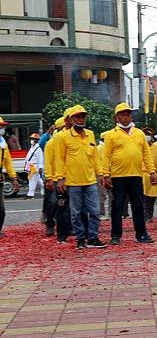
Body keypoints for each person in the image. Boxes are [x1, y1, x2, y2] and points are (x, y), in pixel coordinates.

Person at [102, 103, 156, 245]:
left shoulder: (139, 133)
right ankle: (115, 235)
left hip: (136, 175)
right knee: (117, 206)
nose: (126, 117)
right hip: (118, 176)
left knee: (138, 205)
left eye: (128, 114)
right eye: (123, 114)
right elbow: (105, 156)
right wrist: (105, 174)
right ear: (116, 117)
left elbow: (146, 153)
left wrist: (152, 171)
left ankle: (142, 234)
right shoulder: (111, 135)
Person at [54, 105, 106, 249]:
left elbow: (95, 156)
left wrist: (100, 173)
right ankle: (81, 238)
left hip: (90, 180)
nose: (81, 119)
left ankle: (93, 237)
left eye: (83, 116)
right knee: (76, 213)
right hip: (73, 181)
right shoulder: (62, 137)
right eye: (77, 116)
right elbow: (59, 159)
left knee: (95, 211)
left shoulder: (90, 134)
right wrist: (60, 178)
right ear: (71, 119)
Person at [0, 117, 20, 238]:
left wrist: (14, 178)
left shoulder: (3, 144)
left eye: (2, 126)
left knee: (1, 209)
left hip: (0, 179)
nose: (2, 129)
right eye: (0, 126)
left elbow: (8, 162)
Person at [141, 127, 157, 222]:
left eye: (148, 134)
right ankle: (143, 215)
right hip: (141, 174)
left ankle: (149, 215)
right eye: (145, 134)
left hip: (153, 174)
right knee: (142, 197)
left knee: (151, 197)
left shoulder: (156, 147)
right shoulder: (139, 146)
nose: (147, 136)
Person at [25, 133, 44, 199]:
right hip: (30, 166)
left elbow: (41, 159)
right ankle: (44, 187)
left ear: (37, 140)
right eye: (32, 139)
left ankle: (30, 194)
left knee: (32, 180)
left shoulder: (38, 149)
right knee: (38, 180)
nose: (32, 140)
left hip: (35, 167)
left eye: (34, 139)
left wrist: (40, 167)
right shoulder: (32, 147)